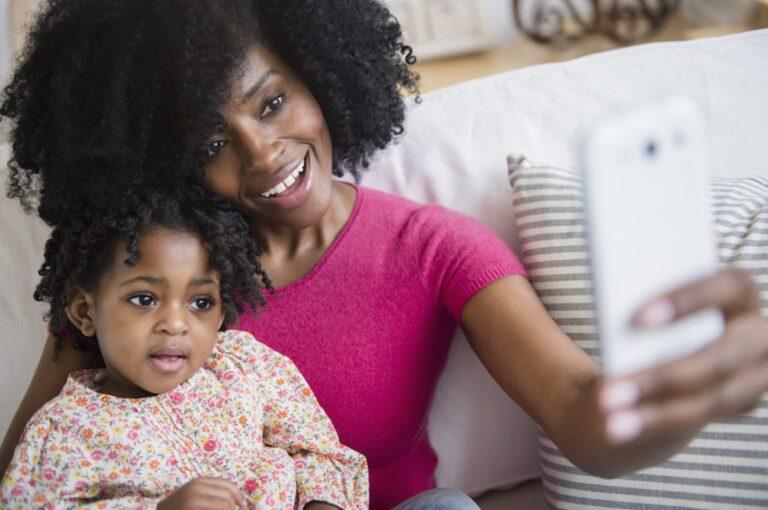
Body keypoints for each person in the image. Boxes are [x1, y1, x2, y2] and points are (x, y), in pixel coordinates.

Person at [2, 1, 767, 508]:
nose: (263, 152)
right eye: (210, 142)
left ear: (320, 75)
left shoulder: (431, 247)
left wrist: (674, 399)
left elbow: (577, 407)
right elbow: (25, 478)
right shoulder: (143, 279)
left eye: (272, 103)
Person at [0, 191, 368, 509]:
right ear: (85, 311)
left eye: (201, 303)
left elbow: (320, 453)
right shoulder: (63, 431)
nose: (176, 325)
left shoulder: (246, 367)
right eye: (144, 299)